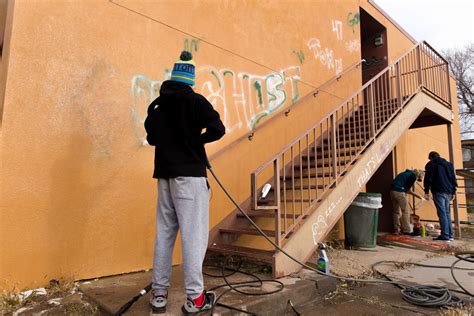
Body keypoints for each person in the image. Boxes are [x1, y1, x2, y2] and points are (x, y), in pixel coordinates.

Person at [144, 51, 225, 314]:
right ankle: (195, 299)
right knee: (194, 237)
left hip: (164, 177)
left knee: (164, 234)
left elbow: (153, 138)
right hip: (189, 178)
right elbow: (217, 129)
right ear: (190, 80)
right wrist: (196, 141)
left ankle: (158, 294)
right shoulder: (196, 102)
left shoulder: (157, 105)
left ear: (172, 78)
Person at [423, 151, 457, 241]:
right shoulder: (449, 164)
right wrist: (453, 191)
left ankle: (445, 236)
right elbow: (452, 178)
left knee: (442, 213)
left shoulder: (431, 164)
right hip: (448, 191)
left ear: (431, 157)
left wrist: (426, 191)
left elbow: (428, 178)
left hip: (438, 190)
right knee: (447, 213)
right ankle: (450, 235)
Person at [389, 169, 425, 235]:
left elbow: (406, 188)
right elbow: (408, 190)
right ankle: (406, 230)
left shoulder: (403, 173)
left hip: (392, 191)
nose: (417, 180)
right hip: (399, 192)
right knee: (405, 211)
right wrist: (419, 196)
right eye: (419, 178)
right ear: (418, 175)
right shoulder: (413, 176)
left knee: (396, 211)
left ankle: (397, 230)